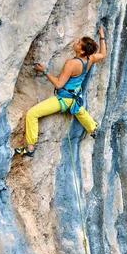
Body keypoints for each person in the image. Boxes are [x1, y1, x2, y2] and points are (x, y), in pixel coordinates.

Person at [15, 24, 107, 157]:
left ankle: (29, 149)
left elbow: (59, 84)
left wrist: (45, 71)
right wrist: (102, 35)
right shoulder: (90, 59)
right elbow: (103, 54)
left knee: (32, 114)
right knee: (79, 111)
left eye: (79, 43)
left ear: (81, 51)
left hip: (64, 99)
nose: (75, 42)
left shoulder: (71, 63)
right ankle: (93, 129)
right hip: (75, 98)